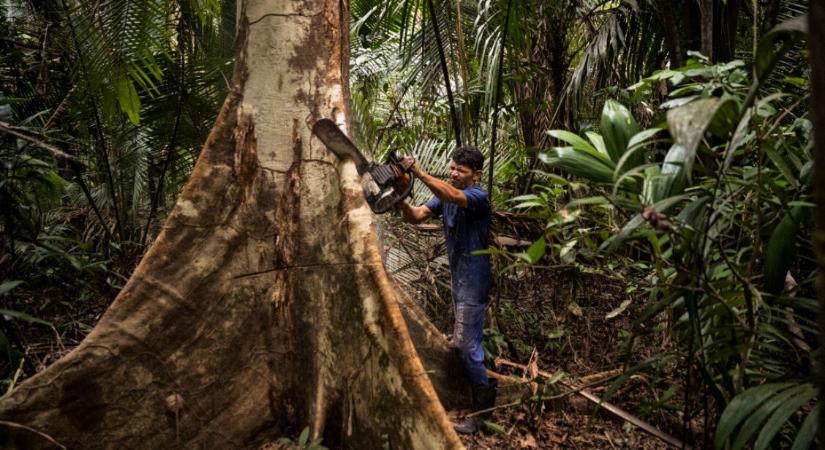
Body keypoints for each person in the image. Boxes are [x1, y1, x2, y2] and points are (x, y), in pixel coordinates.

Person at [397, 146, 496, 435]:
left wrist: (416, 170)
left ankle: (482, 418)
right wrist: (401, 197)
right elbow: (416, 216)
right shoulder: (445, 195)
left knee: (466, 345)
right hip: (459, 280)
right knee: (467, 342)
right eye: (452, 168)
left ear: (476, 175)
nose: (453, 174)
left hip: (474, 281)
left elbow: (452, 196)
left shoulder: (477, 197)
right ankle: (482, 392)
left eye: (461, 171)